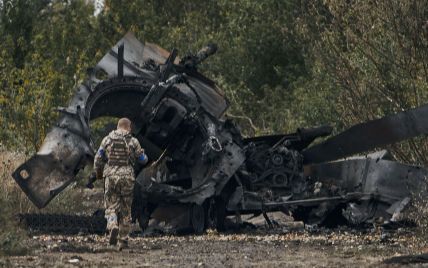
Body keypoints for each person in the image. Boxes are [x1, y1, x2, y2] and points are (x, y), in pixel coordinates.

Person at [93, 118, 148, 249]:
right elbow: (143, 160)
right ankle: (123, 241)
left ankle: (112, 225)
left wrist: (99, 174)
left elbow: (98, 159)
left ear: (118, 127)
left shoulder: (107, 140)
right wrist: (143, 154)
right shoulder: (133, 141)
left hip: (111, 177)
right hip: (127, 178)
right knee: (126, 209)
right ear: (128, 128)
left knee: (111, 206)